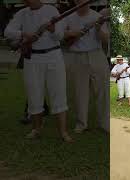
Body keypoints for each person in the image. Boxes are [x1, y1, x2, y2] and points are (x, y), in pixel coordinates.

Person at [4, 0, 73, 142]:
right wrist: (24, 34)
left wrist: (52, 29)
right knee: (34, 93)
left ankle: (63, 132)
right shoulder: (22, 13)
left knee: (58, 92)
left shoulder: (51, 10)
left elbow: (60, 36)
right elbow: (8, 32)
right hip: (32, 57)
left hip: (53, 56)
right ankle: (36, 129)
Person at [64, 0, 109, 133]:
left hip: (96, 54)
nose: (82, 2)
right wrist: (73, 33)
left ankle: (105, 123)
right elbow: (60, 36)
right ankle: (81, 123)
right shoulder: (68, 17)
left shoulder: (97, 16)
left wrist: (98, 28)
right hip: (76, 56)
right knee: (79, 92)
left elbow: (105, 39)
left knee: (102, 90)